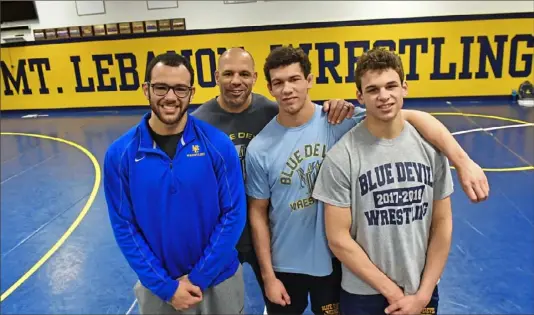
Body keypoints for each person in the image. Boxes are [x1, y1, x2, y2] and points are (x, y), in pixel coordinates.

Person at [244, 46, 486, 315]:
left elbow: (411, 117)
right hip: (288, 262)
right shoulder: (261, 148)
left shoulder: (337, 119)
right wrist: (268, 276)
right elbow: (258, 214)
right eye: (279, 82)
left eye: (294, 79)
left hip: (333, 265)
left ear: (309, 81)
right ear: (269, 87)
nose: (287, 89)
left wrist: (463, 161)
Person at [191, 47, 360, 306]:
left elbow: (390, 118)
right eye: (228, 73)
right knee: (224, 307)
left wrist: (339, 105)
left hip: (317, 249)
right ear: (216, 76)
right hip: (228, 238)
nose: (287, 89)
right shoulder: (200, 124)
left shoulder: (315, 117)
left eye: (244, 74)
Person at [312, 47, 454, 315]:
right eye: (373, 89)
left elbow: (442, 222)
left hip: (421, 289)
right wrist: (393, 292)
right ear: (360, 96)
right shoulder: (342, 156)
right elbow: (338, 238)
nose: (384, 96)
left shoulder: (430, 148)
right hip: (364, 293)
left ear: (404, 88)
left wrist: (422, 295)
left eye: (391, 86)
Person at [103, 52, 247, 314]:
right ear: (146, 89)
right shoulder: (120, 154)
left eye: (180, 89)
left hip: (219, 280)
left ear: (191, 92)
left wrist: (197, 278)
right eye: (161, 87)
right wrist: (166, 287)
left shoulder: (218, 145)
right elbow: (124, 226)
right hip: (160, 289)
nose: (170, 97)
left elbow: (234, 214)